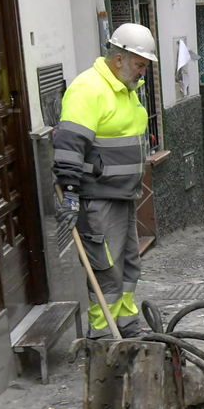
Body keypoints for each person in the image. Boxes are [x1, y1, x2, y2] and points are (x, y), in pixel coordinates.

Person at [52, 22, 159, 338]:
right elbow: (70, 145)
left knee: (127, 265)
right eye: (140, 65)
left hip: (123, 195)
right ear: (119, 59)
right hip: (96, 198)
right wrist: (70, 193)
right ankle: (103, 334)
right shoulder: (88, 89)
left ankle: (125, 323)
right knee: (106, 268)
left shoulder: (126, 90)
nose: (143, 72)